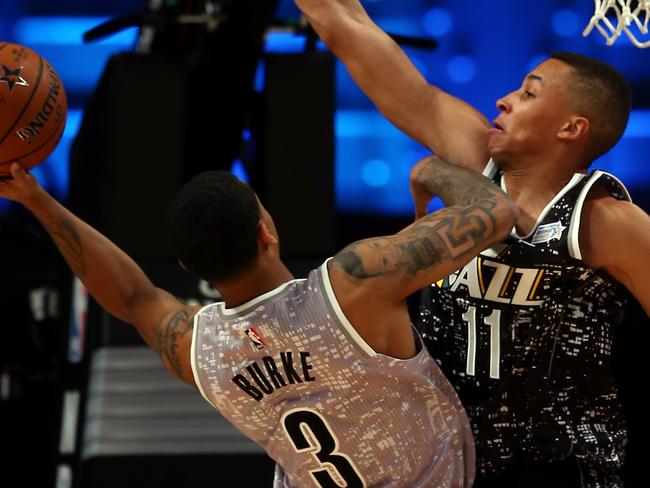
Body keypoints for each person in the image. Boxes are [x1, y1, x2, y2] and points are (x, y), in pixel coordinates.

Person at [292, 1, 650, 486]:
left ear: (571, 128)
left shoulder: (605, 220)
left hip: (558, 468)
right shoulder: (476, 164)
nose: (504, 100)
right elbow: (357, 36)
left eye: (528, 94)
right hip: (447, 459)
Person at [0, 156, 517, 487]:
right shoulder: (353, 285)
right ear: (266, 232)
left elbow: (132, 295)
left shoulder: (199, 349)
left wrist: (36, 201)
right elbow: (496, 209)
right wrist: (431, 170)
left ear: (187, 267)